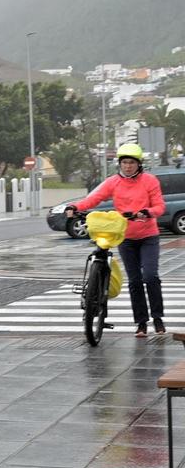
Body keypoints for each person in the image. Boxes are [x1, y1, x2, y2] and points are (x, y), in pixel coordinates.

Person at [66, 142, 166, 337]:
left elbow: (160, 206)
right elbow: (94, 198)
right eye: (124, 162)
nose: (128, 166)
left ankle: (158, 318)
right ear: (119, 164)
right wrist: (75, 206)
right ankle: (141, 323)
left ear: (139, 164)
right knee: (135, 280)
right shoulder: (113, 182)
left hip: (148, 236)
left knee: (150, 276)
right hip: (125, 237)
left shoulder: (150, 181)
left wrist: (146, 212)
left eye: (131, 162)